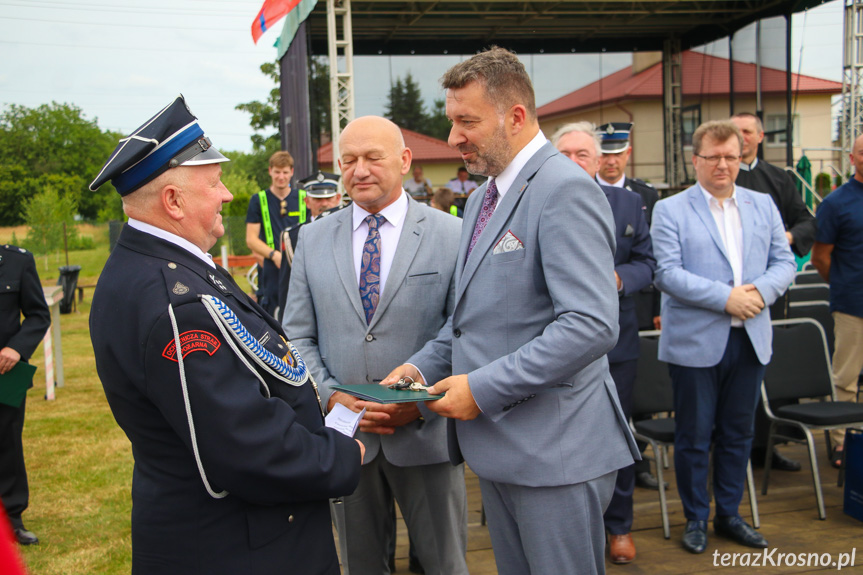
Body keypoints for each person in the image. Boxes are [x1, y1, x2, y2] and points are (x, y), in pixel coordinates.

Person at [384, 47, 638, 575]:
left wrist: (480, 389)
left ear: (516, 116)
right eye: (452, 120)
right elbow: (471, 320)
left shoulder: (566, 189)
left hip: (557, 455)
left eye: (466, 121)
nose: (454, 137)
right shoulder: (481, 200)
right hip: (502, 451)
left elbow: (591, 326)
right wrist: (417, 370)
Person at [88, 95, 362, 575]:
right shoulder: (175, 299)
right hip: (239, 545)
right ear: (173, 201)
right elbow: (245, 448)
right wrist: (339, 455)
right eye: (214, 183)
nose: (228, 195)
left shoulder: (155, 265)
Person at [283, 116, 468, 575]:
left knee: (446, 563)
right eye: (348, 160)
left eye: (372, 157)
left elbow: (462, 328)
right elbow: (298, 335)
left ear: (404, 161)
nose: (358, 170)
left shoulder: (451, 235)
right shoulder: (311, 238)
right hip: (346, 437)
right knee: (361, 565)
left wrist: (418, 397)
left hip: (426, 435)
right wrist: (331, 397)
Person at [650, 120, 796, 554]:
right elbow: (668, 273)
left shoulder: (763, 204)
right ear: (695, 160)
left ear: (741, 157)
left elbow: (785, 262)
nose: (722, 165)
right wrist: (726, 299)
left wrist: (759, 293)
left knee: (738, 433)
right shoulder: (670, 209)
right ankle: (695, 517)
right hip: (697, 342)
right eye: (713, 157)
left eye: (731, 156)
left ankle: (729, 513)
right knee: (694, 436)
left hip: (750, 338)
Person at [552, 121, 655, 565]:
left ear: (599, 162)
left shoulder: (629, 202)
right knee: (563, 438)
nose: (575, 162)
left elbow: (648, 264)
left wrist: (619, 278)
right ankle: (571, 528)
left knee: (617, 436)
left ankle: (619, 527)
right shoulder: (536, 202)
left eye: (583, 155)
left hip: (617, 342)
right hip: (554, 346)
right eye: (566, 154)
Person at [731, 112, 817, 472]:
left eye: (747, 132)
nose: (742, 137)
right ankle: (731, 446)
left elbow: (807, 219)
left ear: (760, 136)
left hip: (769, 291)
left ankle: (768, 446)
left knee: (766, 368)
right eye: (735, 132)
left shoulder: (779, 178)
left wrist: (788, 238)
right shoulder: (718, 175)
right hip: (730, 294)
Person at [597, 125, 664, 491]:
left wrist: (621, 280)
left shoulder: (642, 197)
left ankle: (621, 510)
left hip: (626, 315)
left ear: (627, 154)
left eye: (616, 154)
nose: (610, 161)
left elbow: (648, 260)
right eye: (604, 154)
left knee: (622, 417)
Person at [811, 133, 863, 469]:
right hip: (852, 305)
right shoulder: (836, 203)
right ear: (852, 158)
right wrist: (843, 284)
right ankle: (844, 442)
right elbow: (820, 257)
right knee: (846, 377)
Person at [0, 244, 50, 546]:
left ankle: (12, 520)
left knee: (6, 443)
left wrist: (17, 348)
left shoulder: (18, 261)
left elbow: (37, 315)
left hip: (5, 375)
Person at [276, 171, 344, 321]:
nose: (324, 204)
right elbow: (287, 289)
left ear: (338, 198)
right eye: (318, 199)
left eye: (329, 198)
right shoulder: (292, 237)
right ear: (307, 202)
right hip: (308, 317)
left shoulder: (351, 230)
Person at [246, 151, 303, 317]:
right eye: (277, 172)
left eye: (285, 172)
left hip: (298, 267)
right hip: (271, 269)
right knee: (272, 318)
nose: (281, 177)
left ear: (291, 172)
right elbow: (251, 239)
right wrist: (275, 256)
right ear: (270, 171)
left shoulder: (303, 198)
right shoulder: (258, 200)